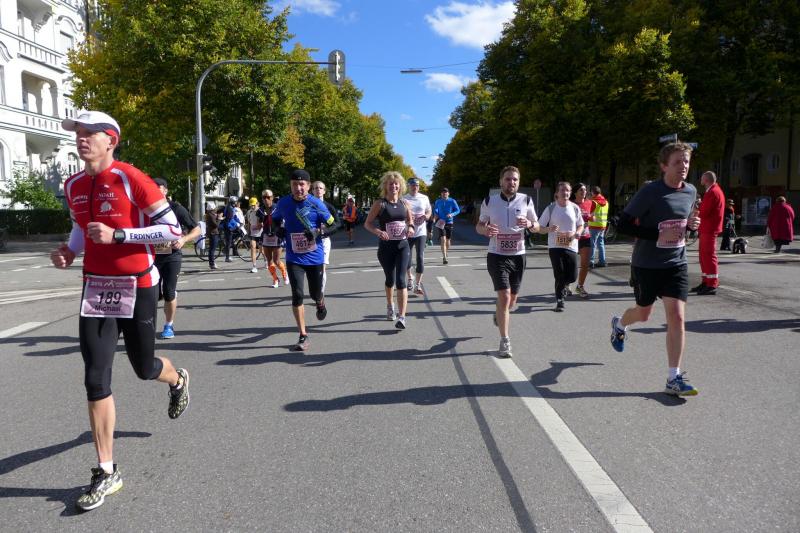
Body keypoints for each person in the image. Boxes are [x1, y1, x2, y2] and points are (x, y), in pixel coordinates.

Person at [50, 110, 190, 511]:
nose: (81, 138)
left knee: (144, 367)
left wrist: (120, 235)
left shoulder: (131, 178)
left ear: (110, 140)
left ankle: (177, 378)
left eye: (90, 132)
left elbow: (172, 231)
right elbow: (81, 227)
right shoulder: (73, 184)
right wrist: (70, 251)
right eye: (78, 133)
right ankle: (106, 470)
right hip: (96, 288)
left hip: (138, 285)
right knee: (95, 377)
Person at [609, 141, 701, 396]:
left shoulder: (691, 191)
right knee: (643, 314)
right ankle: (620, 324)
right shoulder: (650, 192)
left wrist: (692, 226)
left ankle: (674, 378)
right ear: (663, 166)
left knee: (677, 317)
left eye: (686, 161)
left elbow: (685, 225)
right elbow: (622, 224)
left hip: (676, 263)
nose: (683, 166)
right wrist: (657, 234)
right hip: (647, 264)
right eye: (677, 162)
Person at [476, 166, 539, 358]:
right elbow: (479, 226)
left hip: (518, 255)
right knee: (504, 296)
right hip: (496, 255)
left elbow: (537, 226)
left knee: (511, 301)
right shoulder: (490, 201)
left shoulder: (526, 200)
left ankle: (499, 312)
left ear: (518, 182)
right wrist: (486, 230)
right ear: (501, 181)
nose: (511, 182)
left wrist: (530, 224)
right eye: (508, 179)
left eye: (515, 179)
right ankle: (505, 341)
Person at [272, 170, 335, 350]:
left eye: (302, 184)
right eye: (294, 184)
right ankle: (303, 335)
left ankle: (320, 302)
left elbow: (334, 224)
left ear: (308, 186)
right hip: (294, 257)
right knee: (297, 294)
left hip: (315, 257)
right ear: (290, 186)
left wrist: (318, 232)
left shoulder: (316, 204)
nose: (298, 188)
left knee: (315, 293)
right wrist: (277, 229)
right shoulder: (283, 203)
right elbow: (274, 219)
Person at [151, 177, 201, 339]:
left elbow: (197, 229)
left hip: (171, 256)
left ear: (165, 191)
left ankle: (168, 325)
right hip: (151, 256)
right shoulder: (145, 209)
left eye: (158, 188)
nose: (154, 191)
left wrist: (184, 239)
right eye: (152, 188)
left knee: (169, 291)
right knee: (151, 294)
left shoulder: (176, 209)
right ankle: (147, 326)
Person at [365, 171, 415, 329]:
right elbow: (367, 223)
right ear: (386, 186)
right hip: (386, 248)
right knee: (390, 280)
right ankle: (390, 305)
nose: (394, 186)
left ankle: (402, 317)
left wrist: (411, 228)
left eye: (396, 184)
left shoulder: (404, 203)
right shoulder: (380, 204)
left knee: (401, 281)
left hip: (403, 246)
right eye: (390, 184)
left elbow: (410, 220)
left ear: (400, 186)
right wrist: (378, 232)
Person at [536, 182, 583, 312]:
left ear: (570, 193)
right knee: (559, 274)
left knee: (572, 276)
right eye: (562, 190)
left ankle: (566, 284)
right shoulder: (551, 208)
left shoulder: (575, 208)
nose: (565, 192)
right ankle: (560, 300)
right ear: (557, 193)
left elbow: (580, 225)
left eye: (567, 190)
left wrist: (577, 233)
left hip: (571, 246)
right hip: (555, 246)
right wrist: (549, 229)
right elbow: (539, 227)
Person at [693, 171, 725, 295]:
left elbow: (705, 211)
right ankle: (706, 281)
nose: (700, 180)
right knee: (704, 256)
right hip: (708, 227)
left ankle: (711, 284)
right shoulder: (713, 191)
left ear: (706, 180)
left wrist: (697, 209)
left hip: (709, 228)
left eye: (702, 178)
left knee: (708, 256)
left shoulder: (712, 192)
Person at [403, 177, 432, 295]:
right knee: (407, 258)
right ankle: (410, 278)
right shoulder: (403, 198)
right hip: (408, 232)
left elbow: (429, 211)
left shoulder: (424, 198)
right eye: (413, 185)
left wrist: (426, 216)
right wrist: (408, 219)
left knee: (420, 257)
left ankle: (418, 284)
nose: (415, 187)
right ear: (408, 186)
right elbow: (400, 214)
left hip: (421, 232)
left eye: (417, 185)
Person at [311, 180, 341, 293]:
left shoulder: (329, 207)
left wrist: (324, 231)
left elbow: (338, 224)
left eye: (320, 188)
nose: (318, 190)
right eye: (315, 188)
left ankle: (320, 294)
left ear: (324, 191)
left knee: (321, 269)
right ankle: (315, 290)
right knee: (312, 270)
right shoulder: (307, 205)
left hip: (323, 241)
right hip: (310, 241)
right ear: (312, 191)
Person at [257, 189, 289, 288]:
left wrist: (283, 228)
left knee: (276, 261)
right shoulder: (260, 210)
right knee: (269, 261)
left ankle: (284, 273)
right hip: (266, 236)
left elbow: (284, 220)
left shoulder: (277, 208)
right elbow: (258, 224)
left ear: (272, 198)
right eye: (264, 197)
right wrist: (259, 224)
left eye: (268, 197)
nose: (266, 199)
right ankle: (275, 279)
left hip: (277, 236)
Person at [573, 183, 593, 298]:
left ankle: (580, 286)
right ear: (575, 192)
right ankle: (566, 284)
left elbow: (590, 215)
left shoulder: (589, 203)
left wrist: (591, 217)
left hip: (585, 236)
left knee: (585, 264)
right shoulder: (570, 204)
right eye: (581, 190)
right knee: (571, 264)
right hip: (573, 237)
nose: (583, 192)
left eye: (585, 190)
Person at [433, 188, 461, 264]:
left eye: (445, 192)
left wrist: (451, 214)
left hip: (449, 222)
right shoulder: (438, 201)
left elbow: (458, 210)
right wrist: (435, 217)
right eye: (443, 192)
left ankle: (446, 251)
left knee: (448, 240)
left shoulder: (452, 201)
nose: (444, 194)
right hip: (441, 221)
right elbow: (435, 210)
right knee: (443, 239)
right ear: (441, 194)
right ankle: (444, 257)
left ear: (448, 193)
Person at [588, 185, 609, 268]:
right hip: (603, 225)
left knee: (592, 244)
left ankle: (591, 261)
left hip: (594, 225)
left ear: (593, 192)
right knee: (601, 244)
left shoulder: (593, 202)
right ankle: (602, 261)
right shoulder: (606, 202)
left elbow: (589, 213)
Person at [221, 196, 244, 262]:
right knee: (229, 242)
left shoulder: (231, 207)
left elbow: (234, 217)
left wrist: (239, 222)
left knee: (238, 234)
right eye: (236, 201)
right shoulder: (229, 209)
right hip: (228, 227)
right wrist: (236, 225)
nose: (237, 202)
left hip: (230, 226)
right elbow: (230, 219)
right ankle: (227, 257)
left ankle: (230, 244)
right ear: (233, 202)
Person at [245, 196, 263, 273]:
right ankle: (254, 266)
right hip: (253, 234)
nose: (252, 207)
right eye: (251, 205)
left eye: (254, 205)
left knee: (262, 250)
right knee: (253, 247)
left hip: (261, 233)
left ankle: (266, 261)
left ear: (257, 204)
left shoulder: (261, 211)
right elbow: (249, 222)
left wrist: (260, 225)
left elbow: (264, 223)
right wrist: (248, 231)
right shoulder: (249, 212)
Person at [204, 202, 221, 270]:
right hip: (213, 233)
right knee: (212, 249)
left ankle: (212, 263)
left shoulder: (210, 214)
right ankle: (212, 264)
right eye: (215, 208)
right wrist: (219, 219)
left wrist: (217, 217)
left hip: (212, 233)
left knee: (212, 249)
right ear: (212, 208)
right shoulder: (211, 215)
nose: (216, 209)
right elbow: (216, 225)